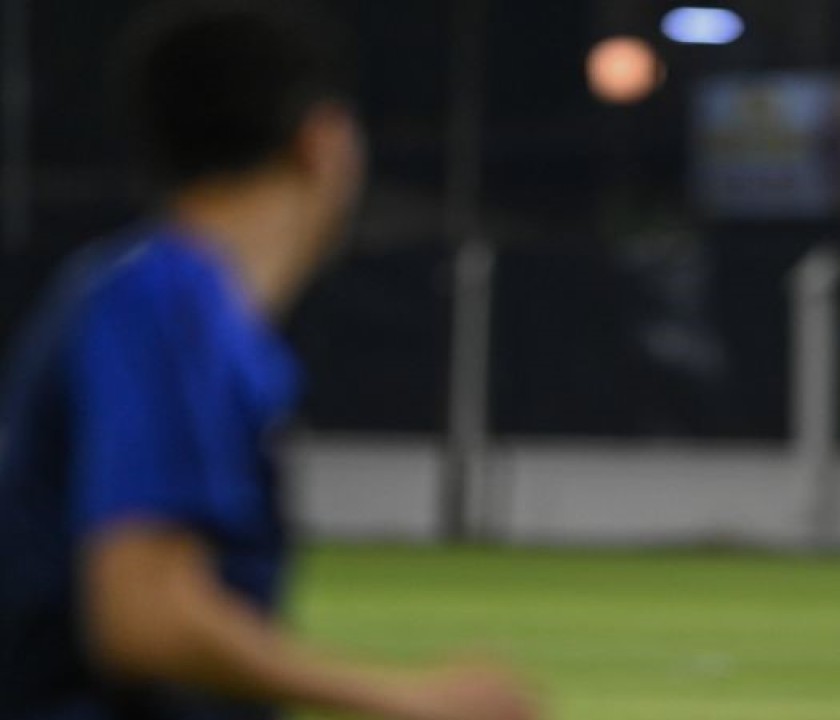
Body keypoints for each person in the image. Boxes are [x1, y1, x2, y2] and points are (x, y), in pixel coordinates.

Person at [0, 3, 537, 719]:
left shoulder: (162, 301)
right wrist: (412, 699)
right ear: (324, 142)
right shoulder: (166, 309)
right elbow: (143, 618)